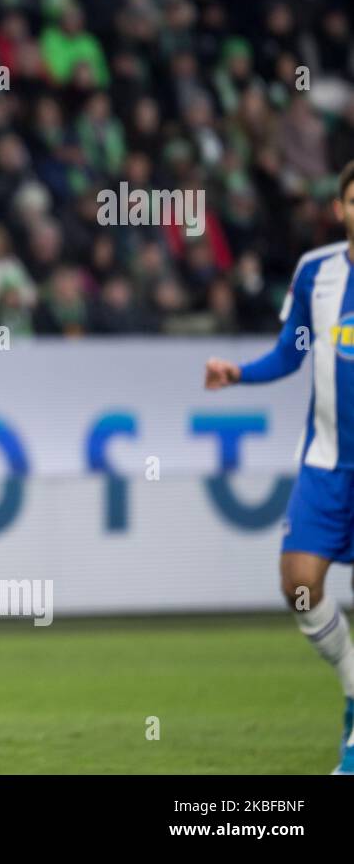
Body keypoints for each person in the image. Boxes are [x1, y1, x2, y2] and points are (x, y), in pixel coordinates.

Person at [204, 158, 354, 775]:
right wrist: (239, 373)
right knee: (298, 584)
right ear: (342, 208)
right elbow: (291, 352)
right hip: (326, 462)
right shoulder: (316, 271)